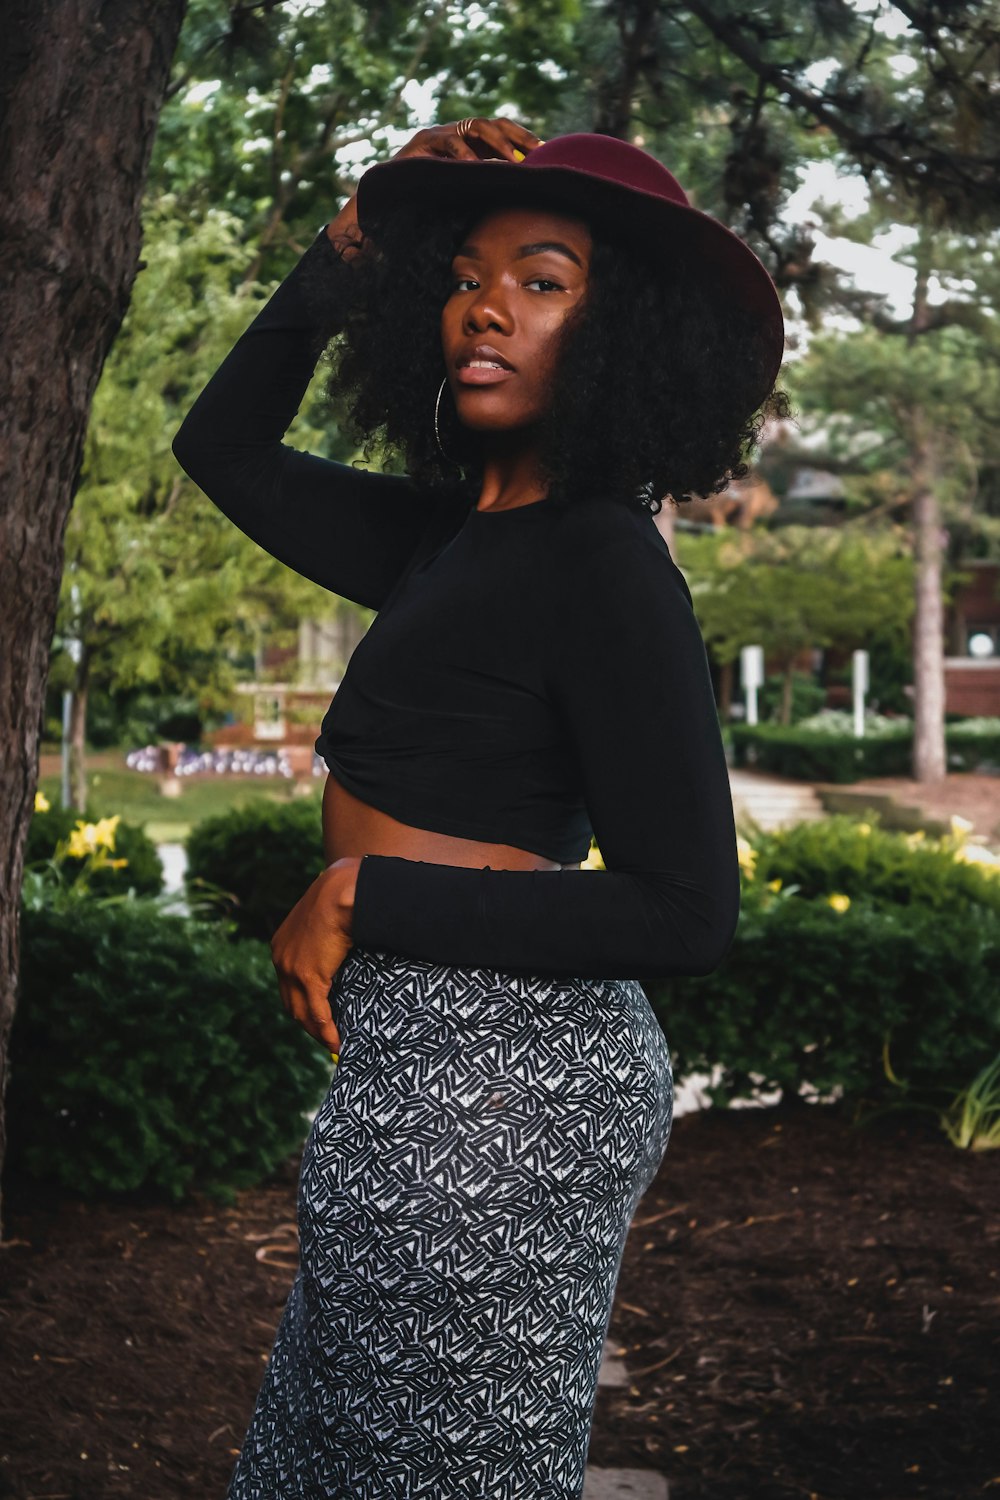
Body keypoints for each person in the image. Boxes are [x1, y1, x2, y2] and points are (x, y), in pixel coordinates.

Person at [173, 117, 785, 1500]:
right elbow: (221, 445)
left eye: (544, 277)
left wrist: (362, 893)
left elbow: (688, 908)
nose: (486, 305)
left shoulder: (605, 562)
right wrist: (343, 252)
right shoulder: (450, 533)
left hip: (505, 1083)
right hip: (415, 1066)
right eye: (462, 273)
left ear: (623, 331)